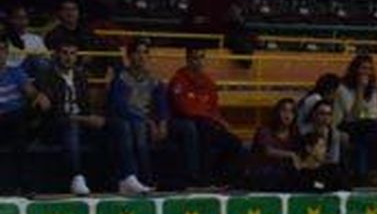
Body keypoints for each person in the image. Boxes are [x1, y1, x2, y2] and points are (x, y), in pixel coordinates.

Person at [167, 45, 243, 189]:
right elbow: (183, 108)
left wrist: (222, 122)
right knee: (203, 129)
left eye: (202, 57)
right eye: (195, 58)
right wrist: (207, 117)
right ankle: (200, 178)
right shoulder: (178, 80)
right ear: (188, 60)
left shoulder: (208, 82)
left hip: (207, 122)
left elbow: (214, 108)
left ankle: (221, 178)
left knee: (235, 142)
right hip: (185, 121)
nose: (199, 61)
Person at [33, 39, 103, 195]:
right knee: (71, 127)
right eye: (64, 53)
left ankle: (121, 178)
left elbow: (85, 107)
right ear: (56, 55)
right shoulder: (46, 76)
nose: (68, 57)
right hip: (54, 126)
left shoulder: (80, 76)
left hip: (80, 123)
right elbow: (54, 113)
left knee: (113, 126)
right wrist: (85, 119)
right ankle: (76, 177)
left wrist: (93, 118)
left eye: (73, 53)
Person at [108, 37, 168, 194]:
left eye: (144, 53)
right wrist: (148, 121)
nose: (141, 56)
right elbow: (119, 107)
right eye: (137, 52)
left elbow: (162, 105)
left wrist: (162, 123)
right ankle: (133, 178)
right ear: (129, 56)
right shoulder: (121, 78)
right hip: (122, 120)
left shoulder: (154, 80)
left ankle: (141, 180)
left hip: (142, 123)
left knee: (138, 128)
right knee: (130, 127)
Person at [0, 37, 49, 193]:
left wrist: (39, 96)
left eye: (2, 49)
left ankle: (24, 186)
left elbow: (31, 93)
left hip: (16, 118)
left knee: (20, 124)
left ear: (7, 52)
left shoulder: (15, 72)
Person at [334, 53, 377, 185]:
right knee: (374, 131)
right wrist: (360, 89)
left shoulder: (372, 88)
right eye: (363, 68)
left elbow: (374, 114)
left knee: (364, 143)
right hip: (346, 125)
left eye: (369, 69)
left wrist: (366, 90)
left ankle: (365, 177)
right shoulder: (343, 89)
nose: (366, 72)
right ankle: (373, 175)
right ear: (355, 69)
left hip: (367, 128)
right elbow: (354, 115)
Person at [4, 3, 46, 70]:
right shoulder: (3, 38)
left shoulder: (35, 39)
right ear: (10, 19)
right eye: (18, 18)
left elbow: (43, 60)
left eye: (24, 18)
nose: (22, 21)